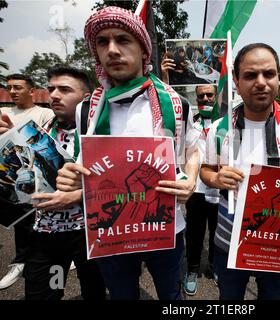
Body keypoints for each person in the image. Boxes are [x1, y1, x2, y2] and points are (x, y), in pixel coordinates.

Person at [54, 6, 199, 300]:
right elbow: (82, 166)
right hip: (110, 231)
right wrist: (70, 177)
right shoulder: (87, 109)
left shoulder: (176, 104)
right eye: (102, 42)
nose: (112, 50)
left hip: (167, 228)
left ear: (143, 49)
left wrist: (191, 180)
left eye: (123, 40)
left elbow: (193, 150)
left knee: (171, 295)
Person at [200, 43, 280, 300]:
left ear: (278, 77)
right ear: (236, 80)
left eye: (269, 74)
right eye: (250, 75)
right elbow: (206, 171)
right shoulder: (219, 129)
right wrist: (216, 178)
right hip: (228, 242)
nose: (260, 82)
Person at [1, 66, 106, 300]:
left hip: (88, 237)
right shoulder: (37, 133)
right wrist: (8, 141)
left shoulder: (100, 135)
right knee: (48, 291)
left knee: (94, 291)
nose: (54, 95)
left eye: (64, 89)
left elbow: (116, 184)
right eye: (51, 89)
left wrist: (77, 195)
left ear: (86, 97)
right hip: (46, 236)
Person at [0, 74, 54, 290]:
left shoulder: (44, 113)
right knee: (19, 222)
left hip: (38, 177)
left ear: (32, 91)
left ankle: (53, 260)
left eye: (18, 87)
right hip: (10, 176)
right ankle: (20, 263)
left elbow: (48, 145)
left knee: (43, 219)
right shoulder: (3, 112)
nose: (13, 92)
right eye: (10, 87)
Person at [183, 84, 219, 295]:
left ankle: (215, 265)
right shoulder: (191, 124)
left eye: (209, 94)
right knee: (195, 233)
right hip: (196, 188)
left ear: (216, 96)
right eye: (201, 95)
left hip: (219, 188)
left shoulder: (226, 124)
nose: (205, 98)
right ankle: (192, 269)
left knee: (217, 231)